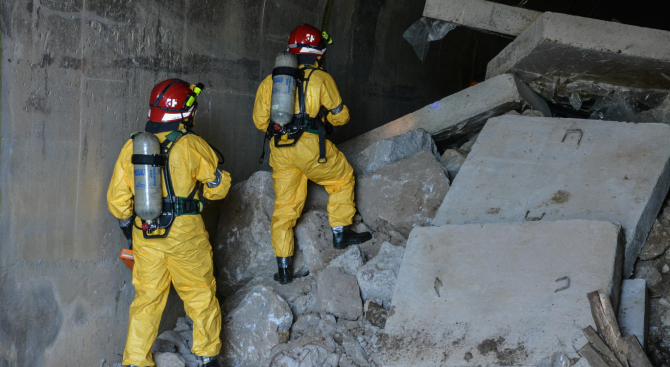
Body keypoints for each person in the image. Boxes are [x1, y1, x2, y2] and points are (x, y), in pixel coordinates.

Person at [107, 79, 230, 367]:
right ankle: (208, 357)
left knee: (146, 302)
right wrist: (211, 185)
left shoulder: (132, 146)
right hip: (185, 236)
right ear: (184, 113)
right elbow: (219, 189)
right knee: (200, 296)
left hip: (146, 234)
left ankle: (135, 362)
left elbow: (117, 199)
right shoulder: (191, 145)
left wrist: (129, 230)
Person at [252, 24, 372, 285]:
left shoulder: (271, 82)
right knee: (342, 179)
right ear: (319, 52)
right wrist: (324, 118)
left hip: (282, 153)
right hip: (311, 150)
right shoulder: (320, 79)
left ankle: (284, 270)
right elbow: (342, 117)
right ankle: (340, 233)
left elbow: (261, 122)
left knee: (284, 211)